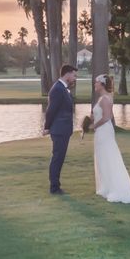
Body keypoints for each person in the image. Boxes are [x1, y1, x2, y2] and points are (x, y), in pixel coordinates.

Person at [90, 74, 130, 203]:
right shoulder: (103, 98)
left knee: (108, 157)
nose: (94, 85)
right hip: (101, 132)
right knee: (103, 158)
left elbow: (107, 117)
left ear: (101, 84)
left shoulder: (105, 99)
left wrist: (94, 126)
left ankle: (116, 188)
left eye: (96, 83)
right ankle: (106, 187)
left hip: (104, 132)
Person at [43, 64, 77, 195]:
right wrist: (47, 127)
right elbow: (51, 110)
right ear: (67, 74)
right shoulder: (57, 89)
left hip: (64, 129)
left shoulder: (64, 88)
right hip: (59, 129)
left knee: (59, 157)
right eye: (74, 75)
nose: (75, 78)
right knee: (57, 158)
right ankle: (54, 187)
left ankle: (56, 185)